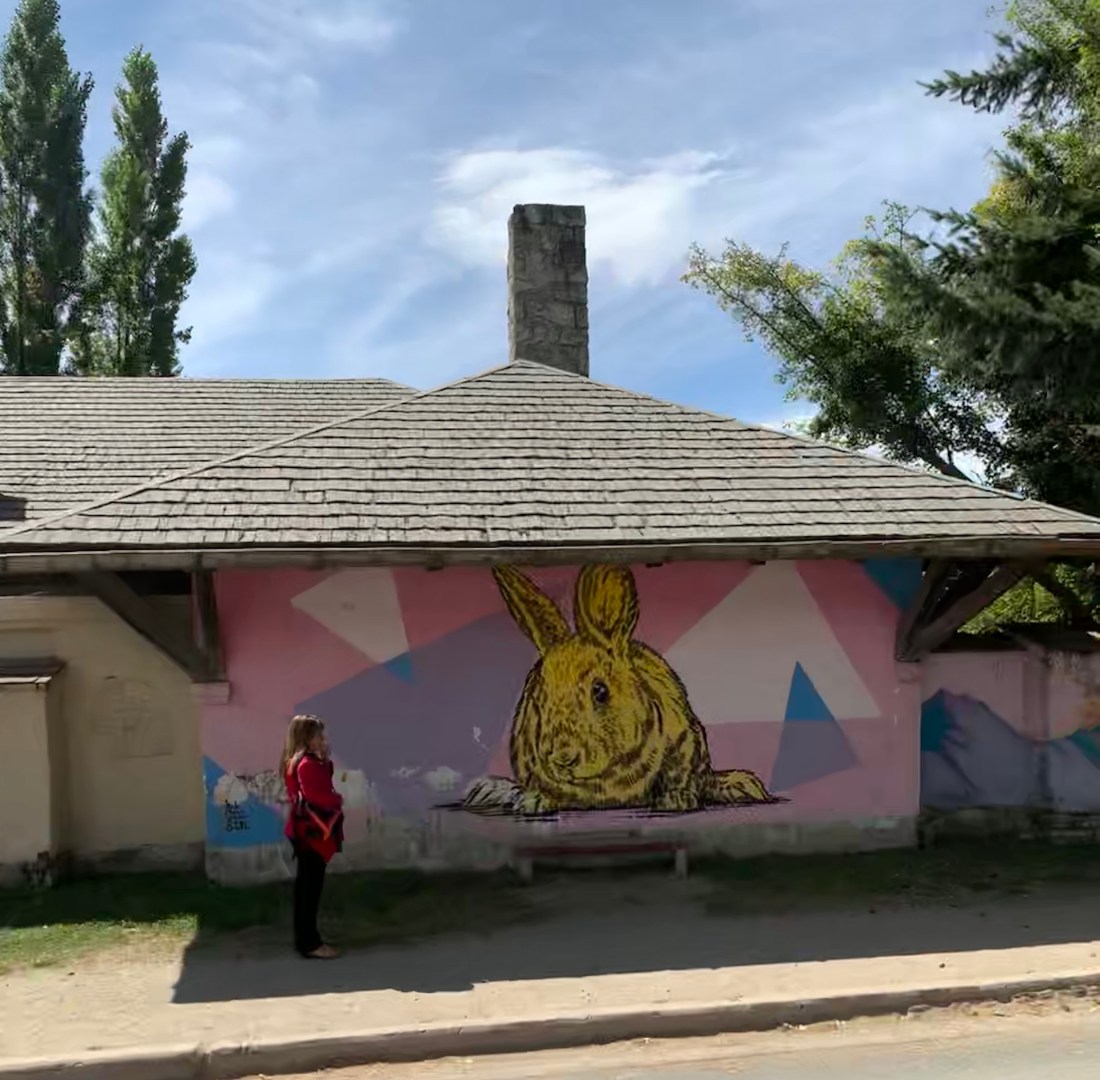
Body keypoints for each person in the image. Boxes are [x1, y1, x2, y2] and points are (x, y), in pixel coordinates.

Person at [281, 714, 344, 959]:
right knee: (310, 889)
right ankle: (310, 944)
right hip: (311, 834)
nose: (323, 738)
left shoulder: (296, 761)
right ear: (307, 737)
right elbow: (317, 796)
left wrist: (325, 761)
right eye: (319, 735)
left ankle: (305, 940)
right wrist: (338, 799)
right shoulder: (307, 764)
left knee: (306, 888)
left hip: (302, 831)